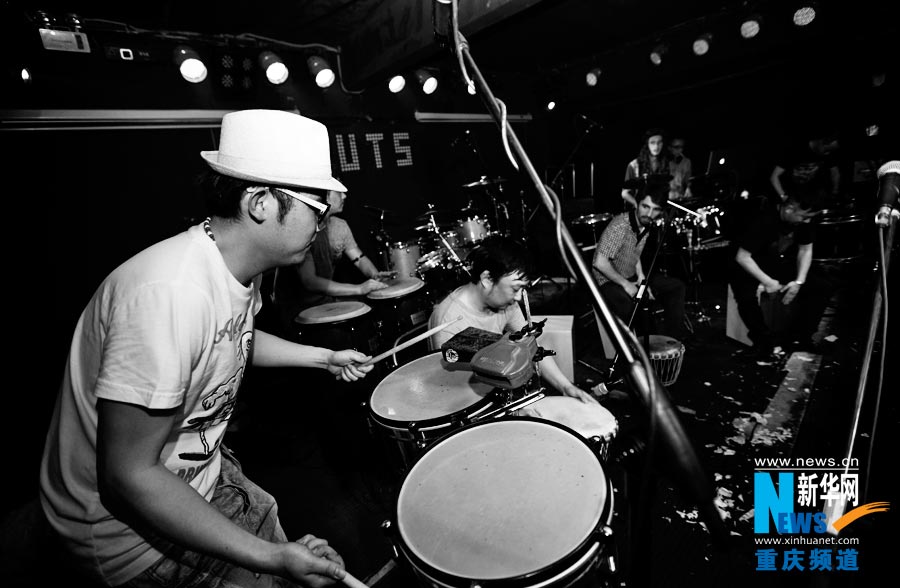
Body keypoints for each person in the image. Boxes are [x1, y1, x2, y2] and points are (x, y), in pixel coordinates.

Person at [38, 109, 374, 588]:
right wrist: (272, 558)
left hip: (199, 473)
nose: (323, 222)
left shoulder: (233, 266)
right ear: (260, 202)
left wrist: (324, 358)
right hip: (124, 536)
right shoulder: (168, 294)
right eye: (316, 206)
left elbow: (235, 337)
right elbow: (129, 476)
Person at [427, 235, 602, 407]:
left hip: (497, 387)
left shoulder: (504, 303)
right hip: (468, 403)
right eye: (515, 289)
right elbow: (455, 394)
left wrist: (566, 387)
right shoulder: (448, 323)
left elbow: (532, 346)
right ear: (487, 279)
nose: (518, 298)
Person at [270, 184, 392, 336]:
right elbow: (310, 281)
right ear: (325, 195)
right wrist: (360, 289)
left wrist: (375, 276)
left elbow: (359, 258)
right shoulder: (305, 227)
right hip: (297, 309)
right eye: (339, 192)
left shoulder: (340, 226)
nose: (345, 196)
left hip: (324, 302)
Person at [729, 193, 832, 357]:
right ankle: (762, 341)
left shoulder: (804, 222)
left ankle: (800, 338)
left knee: (821, 287)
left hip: (776, 261)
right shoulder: (763, 220)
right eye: (804, 217)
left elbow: (805, 250)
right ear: (789, 209)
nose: (806, 221)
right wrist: (768, 282)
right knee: (745, 295)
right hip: (749, 263)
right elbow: (742, 257)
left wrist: (799, 282)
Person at [592, 186, 688, 340]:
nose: (649, 213)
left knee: (676, 287)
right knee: (633, 308)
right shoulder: (620, 225)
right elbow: (599, 263)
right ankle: (636, 353)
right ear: (636, 204)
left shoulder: (645, 224)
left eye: (655, 209)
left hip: (629, 276)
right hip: (607, 281)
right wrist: (626, 285)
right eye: (645, 206)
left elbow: (635, 253)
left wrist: (642, 278)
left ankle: (674, 341)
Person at [770, 128, 841, 209]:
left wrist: (834, 193)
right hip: (793, 197)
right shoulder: (795, 149)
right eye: (826, 150)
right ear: (822, 142)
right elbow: (774, 177)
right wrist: (784, 198)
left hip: (812, 197)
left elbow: (835, 173)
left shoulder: (828, 154)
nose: (827, 153)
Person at [621, 128, 678, 208]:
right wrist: (637, 205)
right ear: (647, 144)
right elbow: (624, 193)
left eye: (659, 142)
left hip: (659, 207)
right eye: (652, 143)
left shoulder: (668, 163)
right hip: (640, 208)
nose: (656, 146)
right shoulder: (634, 165)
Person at [668, 135, 693, 202]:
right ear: (669, 147)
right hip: (667, 198)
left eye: (682, 147)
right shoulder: (664, 162)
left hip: (680, 197)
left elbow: (688, 179)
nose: (680, 150)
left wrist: (688, 188)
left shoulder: (686, 161)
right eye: (676, 147)